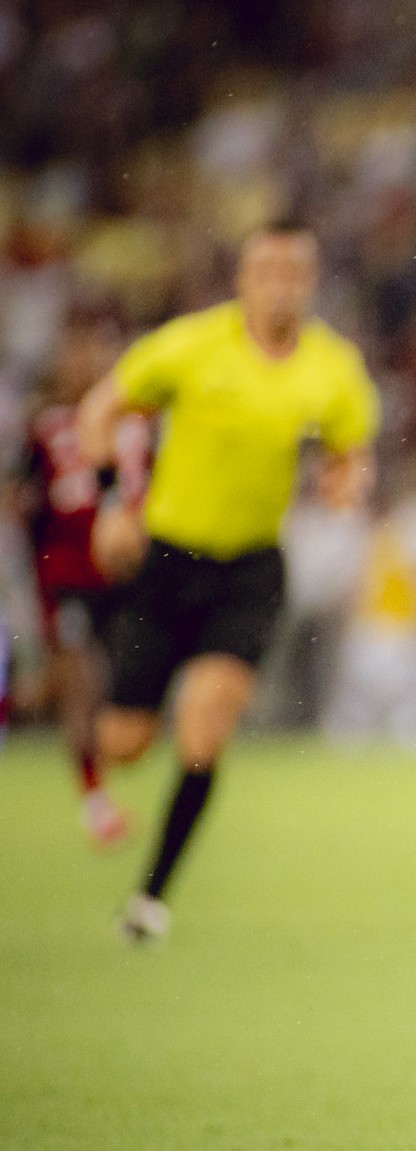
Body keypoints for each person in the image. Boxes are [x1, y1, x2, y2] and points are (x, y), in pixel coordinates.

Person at [76, 221, 381, 944]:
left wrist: (346, 483)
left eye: (295, 270)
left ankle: (150, 898)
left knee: (207, 723)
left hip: (248, 567)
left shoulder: (332, 367)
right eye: (267, 268)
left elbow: (351, 452)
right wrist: (112, 500)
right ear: (242, 278)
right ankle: (95, 734)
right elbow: (100, 411)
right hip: (168, 560)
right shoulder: (190, 346)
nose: (281, 283)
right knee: (123, 741)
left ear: (310, 281)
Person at [11, 311, 150, 847]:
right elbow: (27, 508)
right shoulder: (45, 429)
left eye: (97, 351)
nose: (86, 363)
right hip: (65, 576)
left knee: (125, 696)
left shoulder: (138, 423)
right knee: (81, 686)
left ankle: (31, 697)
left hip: (127, 578)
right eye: (76, 353)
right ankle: (96, 806)